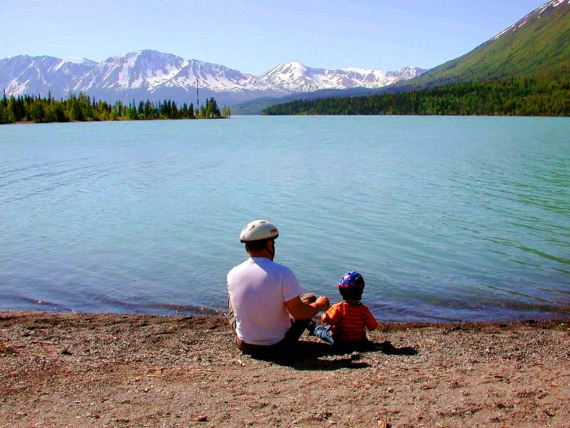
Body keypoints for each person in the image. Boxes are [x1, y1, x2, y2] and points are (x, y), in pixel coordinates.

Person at [227, 219, 330, 354]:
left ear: (247, 247)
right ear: (269, 244)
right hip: (278, 346)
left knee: (231, 300)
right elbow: (299, 314)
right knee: (310, 299)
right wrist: (319, 305)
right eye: (273, 243)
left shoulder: (233, 273)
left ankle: (251, 331)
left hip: (245, 344)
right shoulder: (282, 273)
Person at [309, 271, 378, 347]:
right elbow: (373, 326)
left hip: (340, 340)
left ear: (341, 291)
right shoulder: (364, 310)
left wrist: (323, 311)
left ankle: (312, 327)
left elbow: (325, 320)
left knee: (321, 331)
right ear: (361, 291)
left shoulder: (338, 307)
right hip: (358, 341)